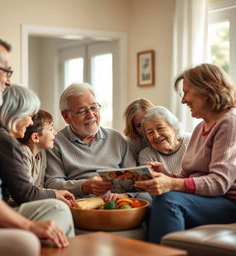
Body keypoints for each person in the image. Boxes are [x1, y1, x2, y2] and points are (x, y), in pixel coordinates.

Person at [0, 33, 69, 256]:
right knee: (35, 233)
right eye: (6, 72)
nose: (8, 81)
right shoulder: (1, 139)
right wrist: (28, 226)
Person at [134, 63, 236, 244]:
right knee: (153, 207)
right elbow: (187, 176)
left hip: (228, 202)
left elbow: (219, 183)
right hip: (206, 199)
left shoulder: (229, 122)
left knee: (168, 202)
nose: (183, 100)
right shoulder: (200, 127)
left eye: (186, 92)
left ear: (207, 90)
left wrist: (172, 183)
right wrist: (166, 175)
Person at [45, 82, 136, 200]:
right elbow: (52, 183)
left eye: (94, 107)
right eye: (82, 111)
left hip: (117, 203)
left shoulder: (116, 138)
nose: (91, 115)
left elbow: (136, 177)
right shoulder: (55, 142)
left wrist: (125, 195)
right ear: (66, 117)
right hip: (79, 205)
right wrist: (83, 186)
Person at [139, 106, 191, 174]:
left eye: (160, 128)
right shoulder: (146, 155)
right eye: (150, 132)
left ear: (174, 127)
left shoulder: (192, 141)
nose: (156, 136)